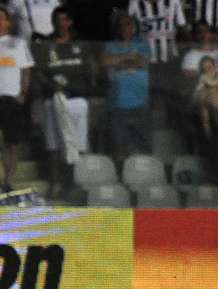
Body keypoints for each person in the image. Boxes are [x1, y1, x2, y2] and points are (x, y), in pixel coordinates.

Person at [34, 6, 93, 199]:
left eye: (65, 19)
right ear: (53, 22)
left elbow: (90, 72)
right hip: (54, 101)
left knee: (79, 144)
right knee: (54, 145)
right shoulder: (46, 43)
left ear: (70, 22)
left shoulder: (80, 43)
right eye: (58, 20)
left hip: (77, 101)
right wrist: (52, 87)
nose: (62, 23)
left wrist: (88, 91)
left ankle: (76, 183)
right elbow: (39, 73)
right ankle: (56, 183)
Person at [102, 12, 152, 164]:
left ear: (134, 27)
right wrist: (128, 57)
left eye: (128, 24)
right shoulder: (109, 45)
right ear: (116, 29)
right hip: (118, 101)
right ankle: (121, 176)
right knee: (119, 142)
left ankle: (145, 176)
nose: (125, 28)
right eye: (121, 25)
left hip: (141, 99)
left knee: (143, 141)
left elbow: (143, 63)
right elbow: (105, 62)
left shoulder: (142, 43)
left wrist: (118, 61)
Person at [0, 5, 33, 192]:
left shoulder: (17, 43)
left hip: (11, 99)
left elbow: (26, 70)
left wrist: (23, 94)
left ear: (7, 21)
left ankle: (7, 181)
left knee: (11, 143)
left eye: (1, 18)